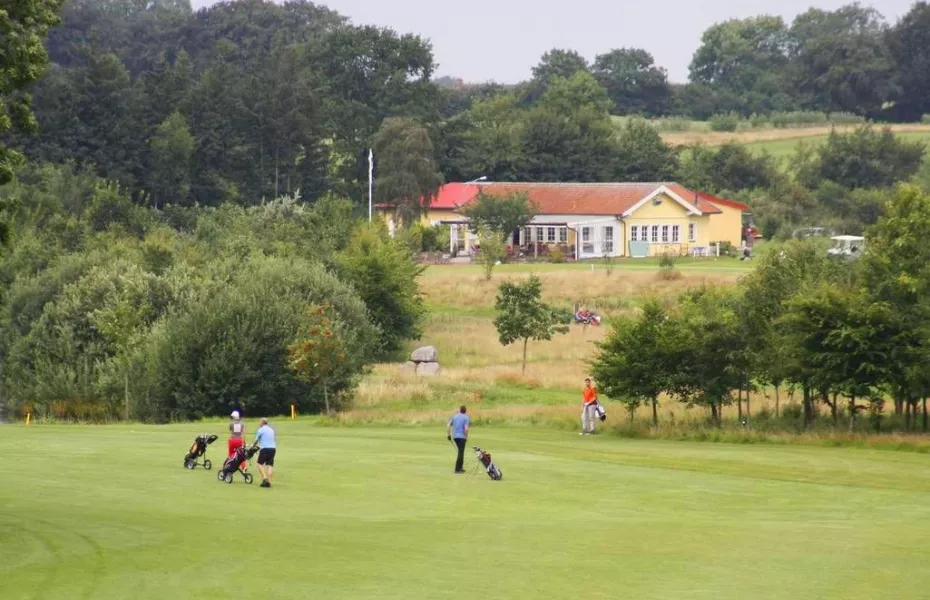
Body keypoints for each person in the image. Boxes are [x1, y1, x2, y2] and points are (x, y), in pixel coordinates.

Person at [253, 417, 276, 488]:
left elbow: (256, 441)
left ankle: (265, 478)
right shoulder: (271, 429)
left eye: (260, 422)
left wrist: (253, 446)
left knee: (259, 464)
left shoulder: (261, 430)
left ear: (262, 423)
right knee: (270, 465)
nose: (259, 423)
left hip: (265, 449)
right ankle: (269, 482)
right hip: (273, 449)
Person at [446, 405, 470, 474]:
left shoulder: (454, 416)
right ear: (465, 411)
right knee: (461, 452)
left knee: (460, 451)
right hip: (462, 437)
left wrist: (448, 435)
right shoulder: (466, 417)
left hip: (455, 437)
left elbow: (448, 425)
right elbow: (466, 428)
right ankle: (457, 469)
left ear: (460, 410)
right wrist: (466, 436)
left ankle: (460, 468)